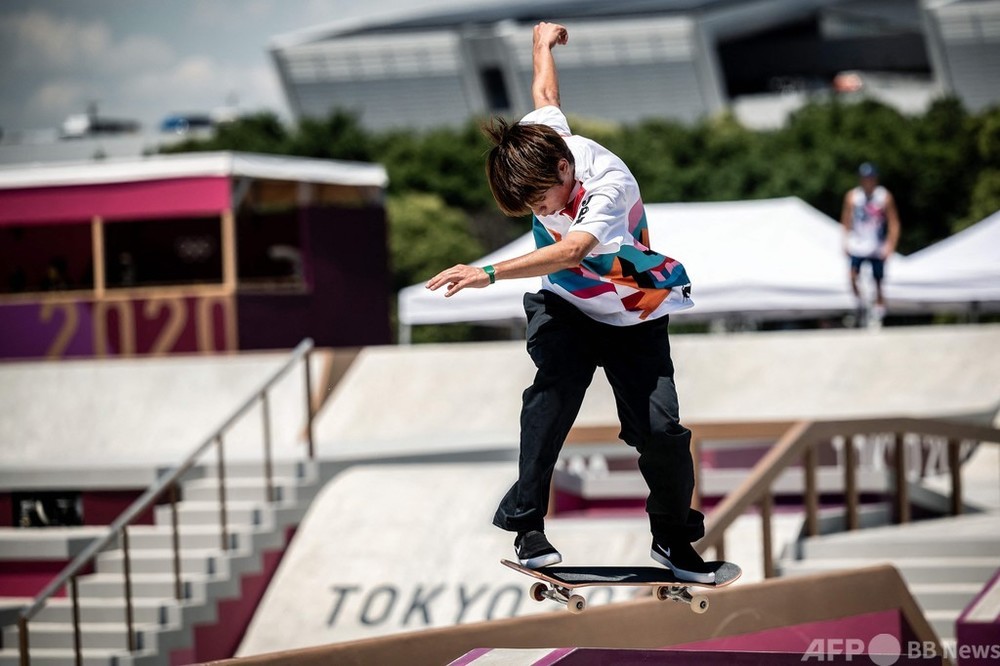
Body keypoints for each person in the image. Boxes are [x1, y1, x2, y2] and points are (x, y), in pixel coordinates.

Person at [426, 22, 714, 583]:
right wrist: (541, 44)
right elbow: (546, 97)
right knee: (553, 396)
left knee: (661, 432)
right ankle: (526, 523)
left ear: (566, 170)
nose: (539, 208)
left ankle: (672, 540)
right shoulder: (543, 143)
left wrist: (488, 271)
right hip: (565, 308)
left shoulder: (608, 185)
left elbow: (573, 249)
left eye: (540, 199)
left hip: (633, 314)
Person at [841, 162, 901, 328]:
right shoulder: (853, 196)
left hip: (877, 245)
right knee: (852, 276)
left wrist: (891, 245)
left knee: (879, 282)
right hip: (858, 244)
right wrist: (845, 242)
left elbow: (894, 223)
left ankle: (878, 313)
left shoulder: (884, 196)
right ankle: (860, 304)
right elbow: (846, 220)